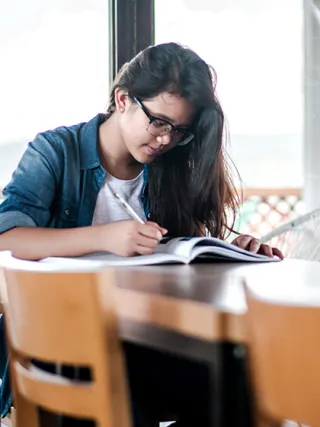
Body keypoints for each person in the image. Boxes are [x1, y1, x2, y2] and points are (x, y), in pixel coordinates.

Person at [0, 42, 283, 426]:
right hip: (63, 343)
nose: (166, 139)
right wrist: (104, 237)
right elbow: (8, 237)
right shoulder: (55, 151)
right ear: (123, 99)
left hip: (146, 339)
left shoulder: (170, 167)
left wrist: (228, 253)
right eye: (159, 122)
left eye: (180, 131)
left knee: (240, 385)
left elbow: (179, 256)